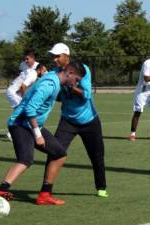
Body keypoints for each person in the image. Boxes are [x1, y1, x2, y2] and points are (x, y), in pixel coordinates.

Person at [0, 62, 86, 205]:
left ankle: (44, 194)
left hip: (32, 125)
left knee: (60, 154)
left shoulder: (54, 78)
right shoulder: (49, 85)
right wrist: (38, 135)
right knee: (26, 159)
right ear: (70, 74)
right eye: (77, 80)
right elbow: (30, 109)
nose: (76, 83)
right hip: (20, 124)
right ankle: (1, 191)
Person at [44, 43, 108, 197]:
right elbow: (58, 96)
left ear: (67, 56)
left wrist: (70, 86)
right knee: (54, 153)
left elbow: (86, 95)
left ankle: (101, 188)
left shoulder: (82, 69)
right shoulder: (54, 73)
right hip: (67, 121)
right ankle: (45, 191)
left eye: (57, 56)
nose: (54, 59)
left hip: (89, 121)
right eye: (53, 56)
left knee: (97, 156)